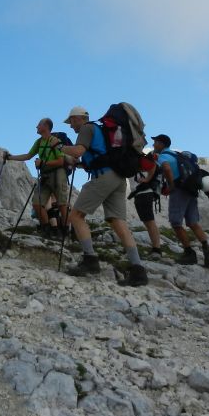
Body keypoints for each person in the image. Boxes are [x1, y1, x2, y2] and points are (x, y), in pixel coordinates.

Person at [61, 106, 147, 287]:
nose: (71, 126)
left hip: (103, 176)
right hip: (118, 177)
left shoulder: (86, 128)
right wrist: (80, 164)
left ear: (78, 118)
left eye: (71, 122)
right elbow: (97, 157)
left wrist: (60, 146)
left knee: (76, 216)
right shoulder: (102, 130)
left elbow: (78, 152)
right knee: (118, 221)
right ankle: (138, 270)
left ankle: (90, 260)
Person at [155, 135, 209, 267]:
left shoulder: (163, 156)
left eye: (155, 143)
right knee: (193, 222)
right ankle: (207, 250)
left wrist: (171, 185)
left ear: (161, 144)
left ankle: (189, 253)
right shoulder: (178, 155)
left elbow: (166, 168)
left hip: (179, 190)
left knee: (176, 222)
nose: (154, 146)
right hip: (191, 189)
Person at [5, 118, 69, 238]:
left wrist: (43, 163)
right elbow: (28, 156)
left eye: (39, 124)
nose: (36, 126)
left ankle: (66, 231)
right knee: (37, 203)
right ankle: (47, 230)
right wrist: (10, 157)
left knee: (62, 204)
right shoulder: (39, 142)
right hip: (45, 176)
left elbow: (61, 161)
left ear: (45, 126)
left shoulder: (55, 141)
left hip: (57, 174)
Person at [130, 148, 163, 257]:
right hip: (141, 194)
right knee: (148, 222)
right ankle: (156, 248)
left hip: (144, 193)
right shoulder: (138, 158)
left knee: (149, 222)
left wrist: (147, 179)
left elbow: (152, 165)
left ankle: (156, 249)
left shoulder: (140, 158)